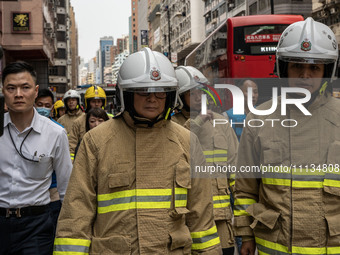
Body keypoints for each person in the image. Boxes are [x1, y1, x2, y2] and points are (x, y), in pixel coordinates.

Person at [54, 48, 221, 254]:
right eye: (143, 90)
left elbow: (201, 216)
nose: (152, 98)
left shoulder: (187, 141)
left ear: (170, 95)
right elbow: (76, 213)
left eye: (160, 91)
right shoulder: (96, 141)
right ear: (126, 94)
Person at [233, 17, 340, 255]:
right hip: (276, 247)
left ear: (327, 72)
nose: (305, 75)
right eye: (297, 66)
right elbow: (245, 187)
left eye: (314, 67)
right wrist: (244, 233)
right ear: (283, 69)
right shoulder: (259, 119)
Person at [0, 61, 72, 254]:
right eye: (11, 88)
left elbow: (66, 187)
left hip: (37, 226)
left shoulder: (55, 133)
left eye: (25, 87)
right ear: (3, 91)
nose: (18, 94)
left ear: (35, 90)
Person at [173, 66, 238, 255]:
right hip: (185, 221)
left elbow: (238, 176)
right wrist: (196, 123)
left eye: (201, 92)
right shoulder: (171, 127)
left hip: (221, 221)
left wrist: (244, 223)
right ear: (178, 97)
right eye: (191, 93)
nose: (198, 97)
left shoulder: (221, 123)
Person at [35, 88, 65, 233]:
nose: (43, 109)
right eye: (39, 105)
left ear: (52, 107)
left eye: (47, 106)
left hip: (53, 194)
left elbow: (65, 174)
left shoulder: (58, 131)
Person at [67, 85, 107, 162]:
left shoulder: (110, 119)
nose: (96, 104)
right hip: (85, 161)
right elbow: (71, 145)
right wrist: (72, 164)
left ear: (103, 102)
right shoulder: (79, 122)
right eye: (93, 101)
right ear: (88, 103)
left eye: (99, 101)